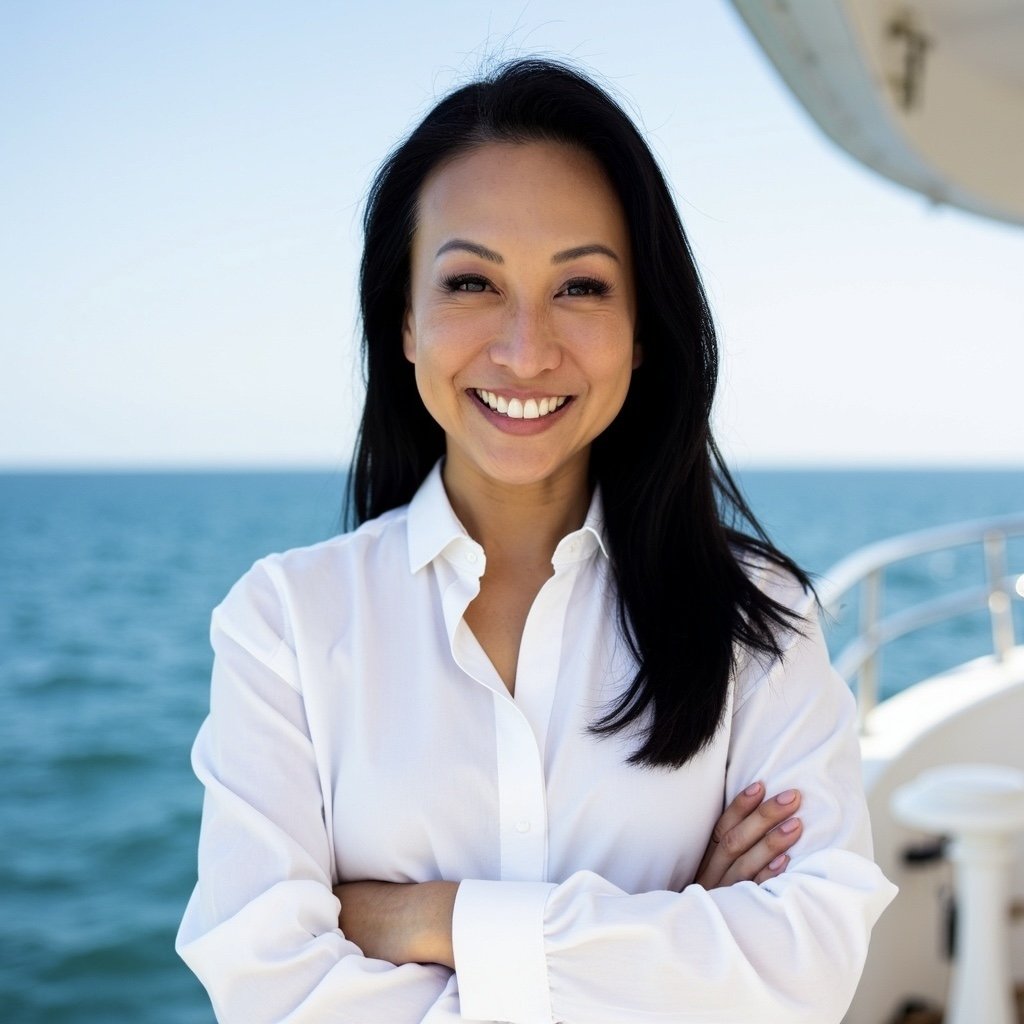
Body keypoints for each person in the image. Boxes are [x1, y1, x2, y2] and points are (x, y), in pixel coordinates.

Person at [177, 58, 896, 1023]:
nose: (524, 350)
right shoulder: (284, 625)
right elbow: (268, 988)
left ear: (643, 328)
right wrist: (679, 933)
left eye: (582, 287)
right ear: (403, 319)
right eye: (472, 281)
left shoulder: (757, 620)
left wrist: (431, 919)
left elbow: (808, 967)